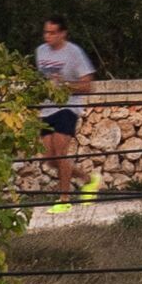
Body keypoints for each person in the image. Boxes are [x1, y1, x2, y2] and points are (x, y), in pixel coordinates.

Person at [33, 17, 101, 207]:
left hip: (68, 106)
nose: (48, 37)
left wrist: (63, 86)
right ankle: (88, 180)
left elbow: (88, 86)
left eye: (53, 33)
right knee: (50, 159)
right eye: (46, 32)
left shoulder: (74, 53)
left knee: (61, 154)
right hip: (47, 109)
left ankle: (64, 200)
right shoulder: (40, 51)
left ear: (63, 33)